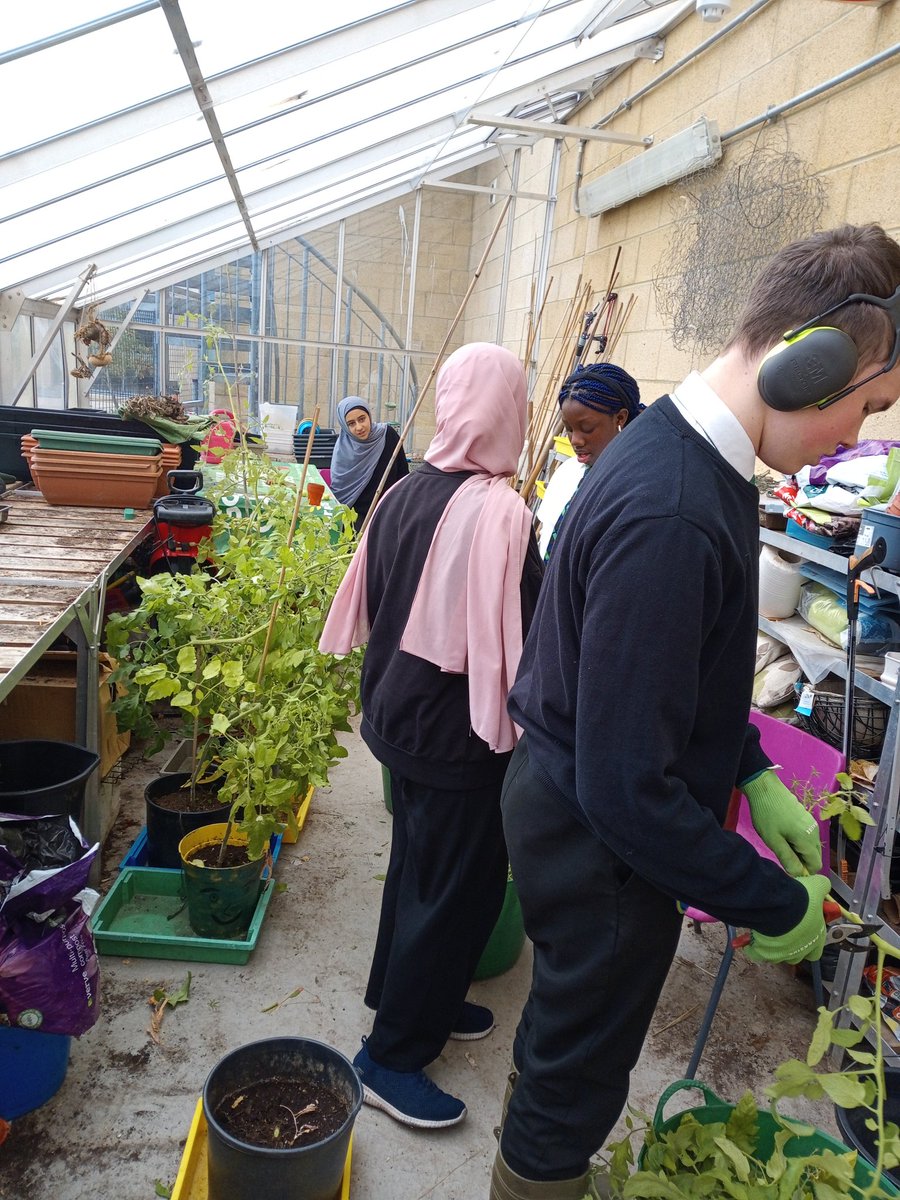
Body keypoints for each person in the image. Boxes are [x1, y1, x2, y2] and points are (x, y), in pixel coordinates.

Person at [491, 223, 900, 1200]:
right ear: (810, 360)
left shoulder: (692, 462)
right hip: (599, 844)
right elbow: (629, 789)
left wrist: (753, 771)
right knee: (574, 1074)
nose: (863, 439)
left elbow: (662, 679)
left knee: (567, 1035)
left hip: (586, 803)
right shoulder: (673, 510)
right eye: (870, 405)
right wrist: (772, 902)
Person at [319, 342, 544, 1130]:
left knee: (420, 869)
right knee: (458, 890)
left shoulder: (401, 491)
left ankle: (415, 997)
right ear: (508, 412)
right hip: (461, 738)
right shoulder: (503, 513)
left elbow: (378, 599)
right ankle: (391, 1056)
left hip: (397, 717)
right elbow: (531, 629)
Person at [536, 361, 643, 559]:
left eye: (587, 428)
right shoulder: (567, 473)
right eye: (569, 428)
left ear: (620, 418)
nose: (575, 440)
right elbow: (546, 536)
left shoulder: (631, 489)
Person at [329, 396, 409, 532]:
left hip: (387, 514)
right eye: (351, 423)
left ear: (369, 416)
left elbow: (403, 475)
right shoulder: (344, 449)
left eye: (362, 419)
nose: (359, 427)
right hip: (354, 516)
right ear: (345, 425)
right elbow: (340, 489)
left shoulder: (387, 435)